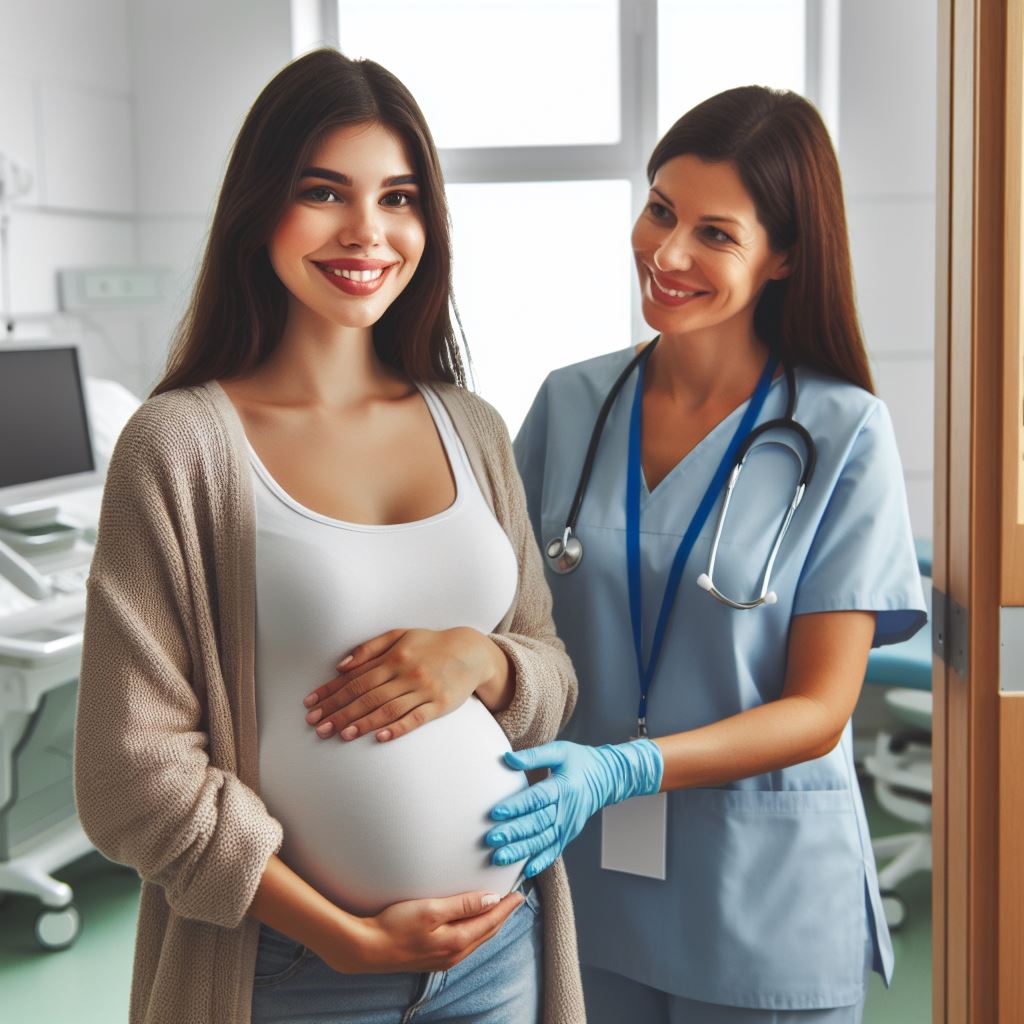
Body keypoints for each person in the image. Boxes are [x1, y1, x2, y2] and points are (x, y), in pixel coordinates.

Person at [74, 49, 583, 1024]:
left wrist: (482, 659)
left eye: (398, 196)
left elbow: (550, 673)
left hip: (498, 945)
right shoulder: (179, 445)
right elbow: (131, 773)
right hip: (293, 975)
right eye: (323, 192)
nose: (367, 230)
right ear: (258, 206)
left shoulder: (469, 425)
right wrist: (341, 934)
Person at [484, 86, 928, 1023]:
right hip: (588, 879)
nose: (668, 253)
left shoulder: (841, 431)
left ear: (784, 257)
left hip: (764, 896)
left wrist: (626, 768)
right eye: (659, 210)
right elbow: (501, 620)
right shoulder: (570, 405)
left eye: (716, 235)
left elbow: (818, 709)